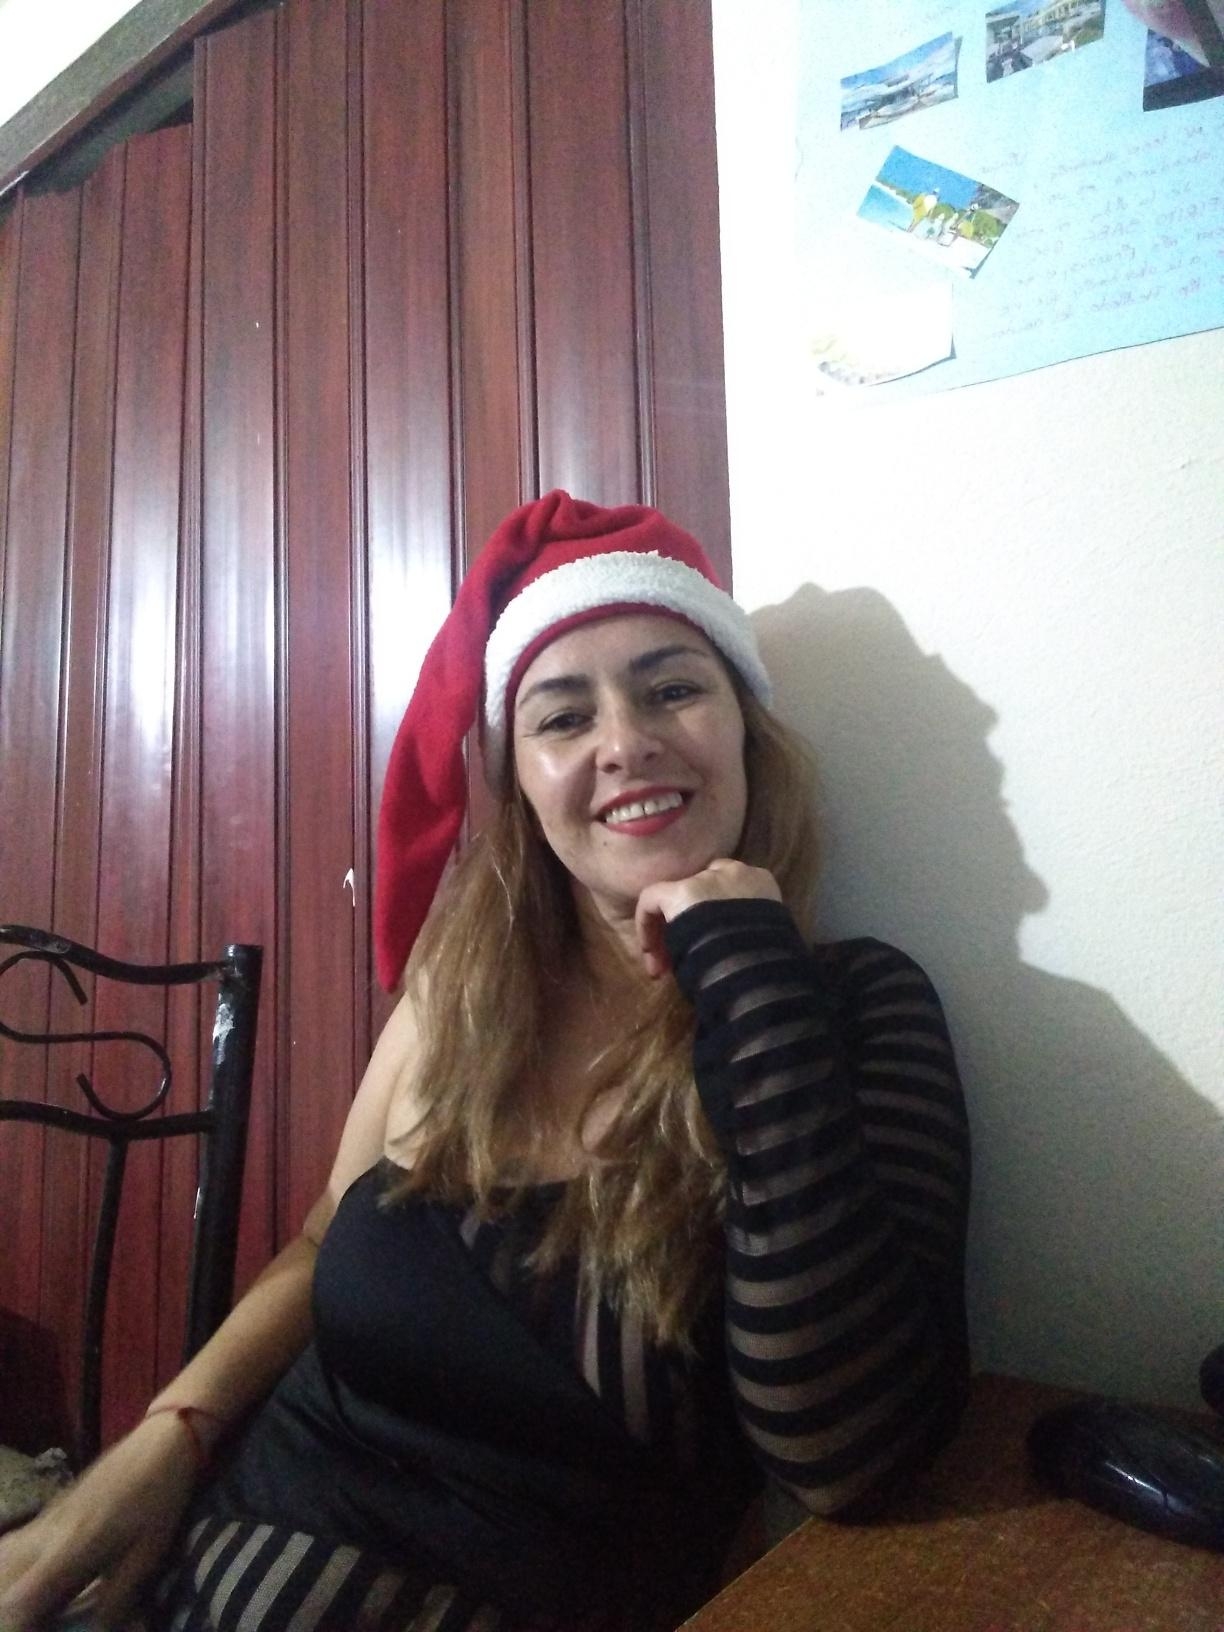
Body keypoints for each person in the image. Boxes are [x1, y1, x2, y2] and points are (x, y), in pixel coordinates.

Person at [0, 493, 971, 1632]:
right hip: (188, 1574)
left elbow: (848, 1454)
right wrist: (167, 1440)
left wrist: (748, 973)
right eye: (564, 717)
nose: (625, 741)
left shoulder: (851, 1009)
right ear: (523, 786)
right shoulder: (461, 995)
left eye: (672, 689)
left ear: (748, 734)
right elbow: (321, 1239)